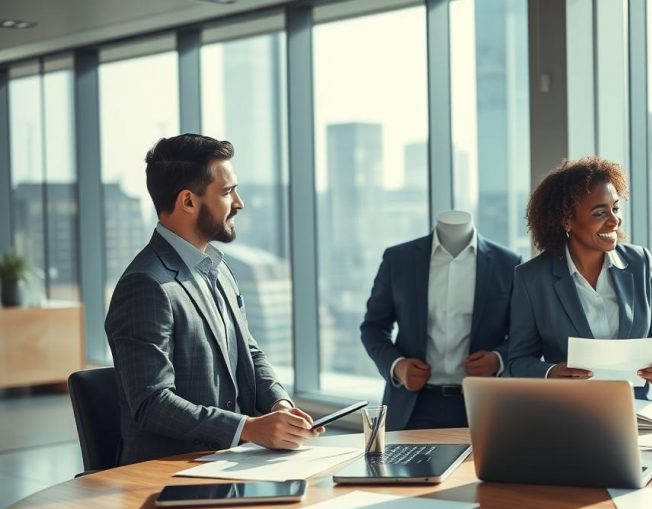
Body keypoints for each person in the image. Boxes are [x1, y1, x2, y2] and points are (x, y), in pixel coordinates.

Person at [106, 134, 321, 465]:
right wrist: (248, 428)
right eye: (227, 192)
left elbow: (248, 352)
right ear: (188, 201)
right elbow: (153, 402)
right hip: (168, 474)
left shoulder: (219, 270)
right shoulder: (146, 285)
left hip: (232, 461)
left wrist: (280, 406)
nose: (239, 202)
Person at [508, 156, 652, 399]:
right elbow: (517, 360)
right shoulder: (532, 278)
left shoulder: (640, 262)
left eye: (616, 208)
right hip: (571, 412)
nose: (614, 220)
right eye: (600, 213)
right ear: (567, 221)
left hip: (639, 410)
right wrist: (550, 372)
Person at [360, 210, 522, 430]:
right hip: (412, 406)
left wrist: (497, 360)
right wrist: (397, 366)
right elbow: (373, 327)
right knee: (402, 465)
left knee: (480, 467)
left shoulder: (508, 263)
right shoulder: (398, 259)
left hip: (482, 405)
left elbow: (524, 335)